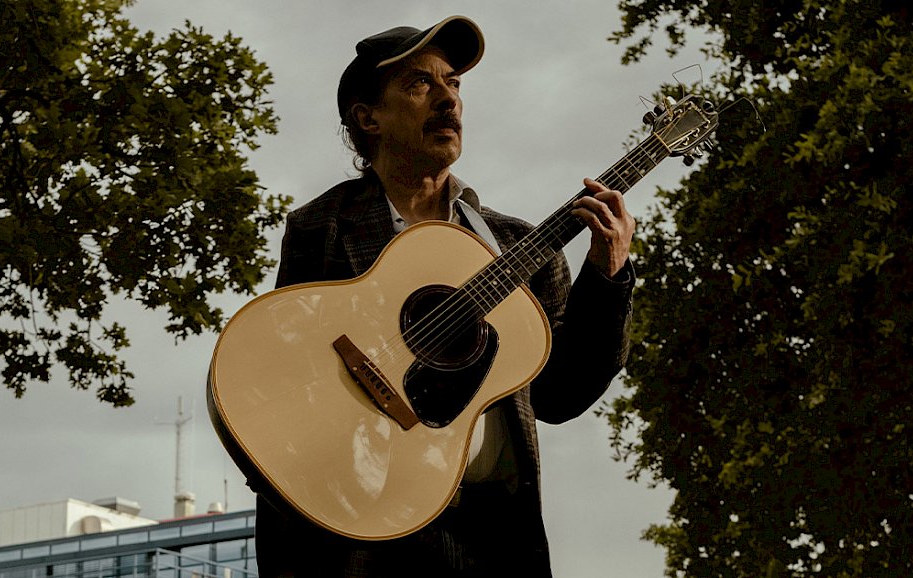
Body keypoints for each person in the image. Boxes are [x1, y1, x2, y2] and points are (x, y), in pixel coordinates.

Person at [257, 15, 636, 577]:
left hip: (494, 537)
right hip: (363, 532)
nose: (446, 99)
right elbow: (285, 377)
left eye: (453, 83)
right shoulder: (323, 226)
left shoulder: (515, 245)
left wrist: (608, 277)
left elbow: (562, 395)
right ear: (368, 118)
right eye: (419, 84)